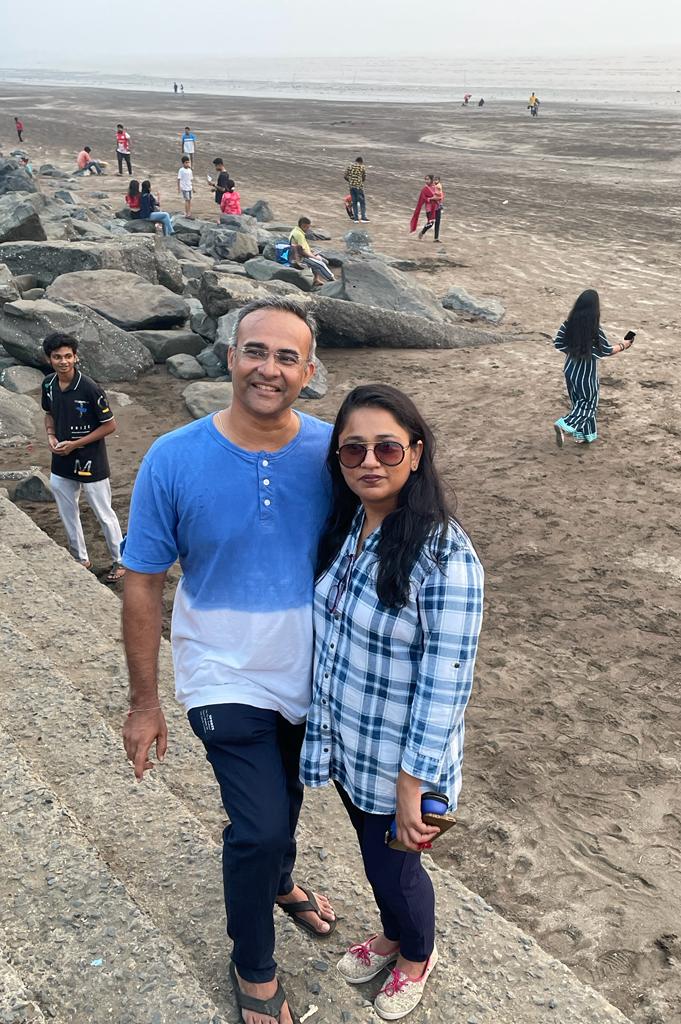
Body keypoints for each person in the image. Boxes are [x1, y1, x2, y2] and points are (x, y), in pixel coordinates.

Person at [121, 295, 337, 1024]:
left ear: (309, 371)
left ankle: (277, 882)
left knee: (288, 796)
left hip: (310, 671)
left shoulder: (334, 452)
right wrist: (144, 702)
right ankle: (254, 964)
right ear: (229, 356)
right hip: (220, 671)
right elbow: (143, 580)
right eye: (256, 351)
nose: (268, 369)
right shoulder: (172, 457)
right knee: (261, 824)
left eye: (286, 357)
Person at [302, 383, 484, 1021]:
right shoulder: (351, 524)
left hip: (403, 761)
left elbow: (448, 678)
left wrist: (414, 784)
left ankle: (417, 954)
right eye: (353, 450)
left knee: (398, 871)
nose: (370, 462)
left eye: (387, 448)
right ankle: (393, 933)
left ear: (416, 452)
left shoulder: (444, 554)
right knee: (376, 861)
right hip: (352, 742)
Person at [41, 332, 125, 584]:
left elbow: (110, 425)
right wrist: (51, 435)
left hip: (90, 458)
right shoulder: (48, 384)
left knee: (103, 512)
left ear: (76, 357)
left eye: (68, 356)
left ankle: (121, 560)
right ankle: (80, 558)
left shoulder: (89, 387)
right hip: (61, 458)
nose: (63, 361)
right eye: (57, 357)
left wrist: (75, 444)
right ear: (49, 359)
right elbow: (48, 413)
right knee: (67, 509)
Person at [553, 289, 635, 447]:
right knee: (589, 404)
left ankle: (584, 435)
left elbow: (558, 343)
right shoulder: (594, 330)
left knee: (578, 403)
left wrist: (573, 351)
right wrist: (624, 345)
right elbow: (606, 350)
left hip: (569, 369)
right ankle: (564, 424)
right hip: (586, 374)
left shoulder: (567, 324)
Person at [289, 217, 335, 287]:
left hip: (300, 254)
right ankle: (332, 280)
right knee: (320, 264)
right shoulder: (299, 235)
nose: (308, 229)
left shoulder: (296, 231)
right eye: (307, 227)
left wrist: (312, 252)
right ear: (303, 226)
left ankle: (316, 279)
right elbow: (303, 251)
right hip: (300, 258)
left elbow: (302, 247)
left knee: (324, 261)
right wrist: (314, 257)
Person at [409, 175, 439, 242]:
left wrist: (439, 199)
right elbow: (423, 198)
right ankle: (422, 232)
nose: (426, 181)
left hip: (437, 207)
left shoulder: (436, 187)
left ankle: (436, 238)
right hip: (429, 209)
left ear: (431, 180)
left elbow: (440, 195)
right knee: (431, 223)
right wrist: (431, 199)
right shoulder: (425, 189)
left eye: (428, 179)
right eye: (425, 179)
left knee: (437, 223)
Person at [344, 156, 368, 223]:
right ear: (361, 162)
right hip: (359, 187)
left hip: (351, 187)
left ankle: (356, 219)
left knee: (354, 202)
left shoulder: (350, 167)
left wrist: (350, 181)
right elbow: (364, 177)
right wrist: (360, 181)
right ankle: (363, 218)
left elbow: (345, 176)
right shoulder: (362, 167)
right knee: (362, 202)